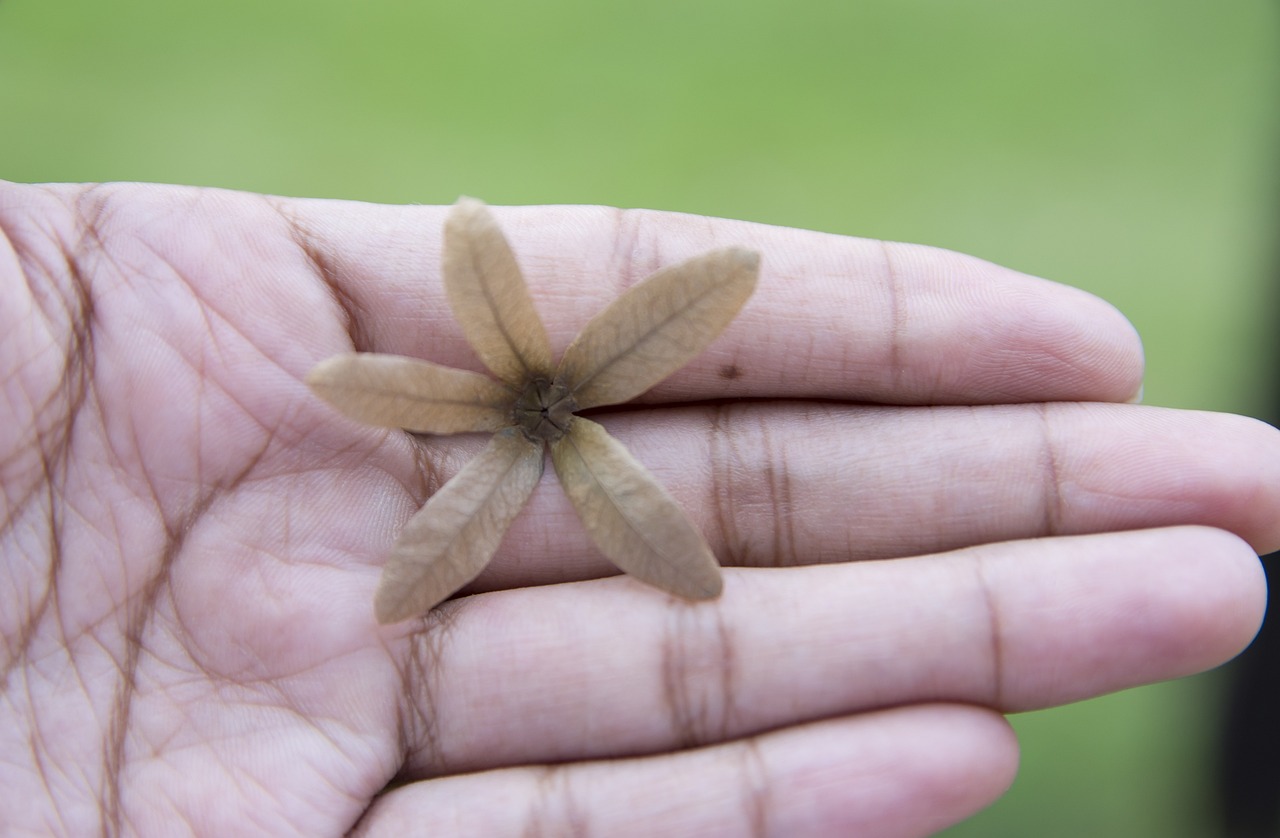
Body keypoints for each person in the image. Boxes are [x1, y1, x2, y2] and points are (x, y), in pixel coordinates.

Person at [2, 181, 1275, 836]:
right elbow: (367, 391)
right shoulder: (483, 415)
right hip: (518, 433)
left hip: (553, 434)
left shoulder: (568, 419)